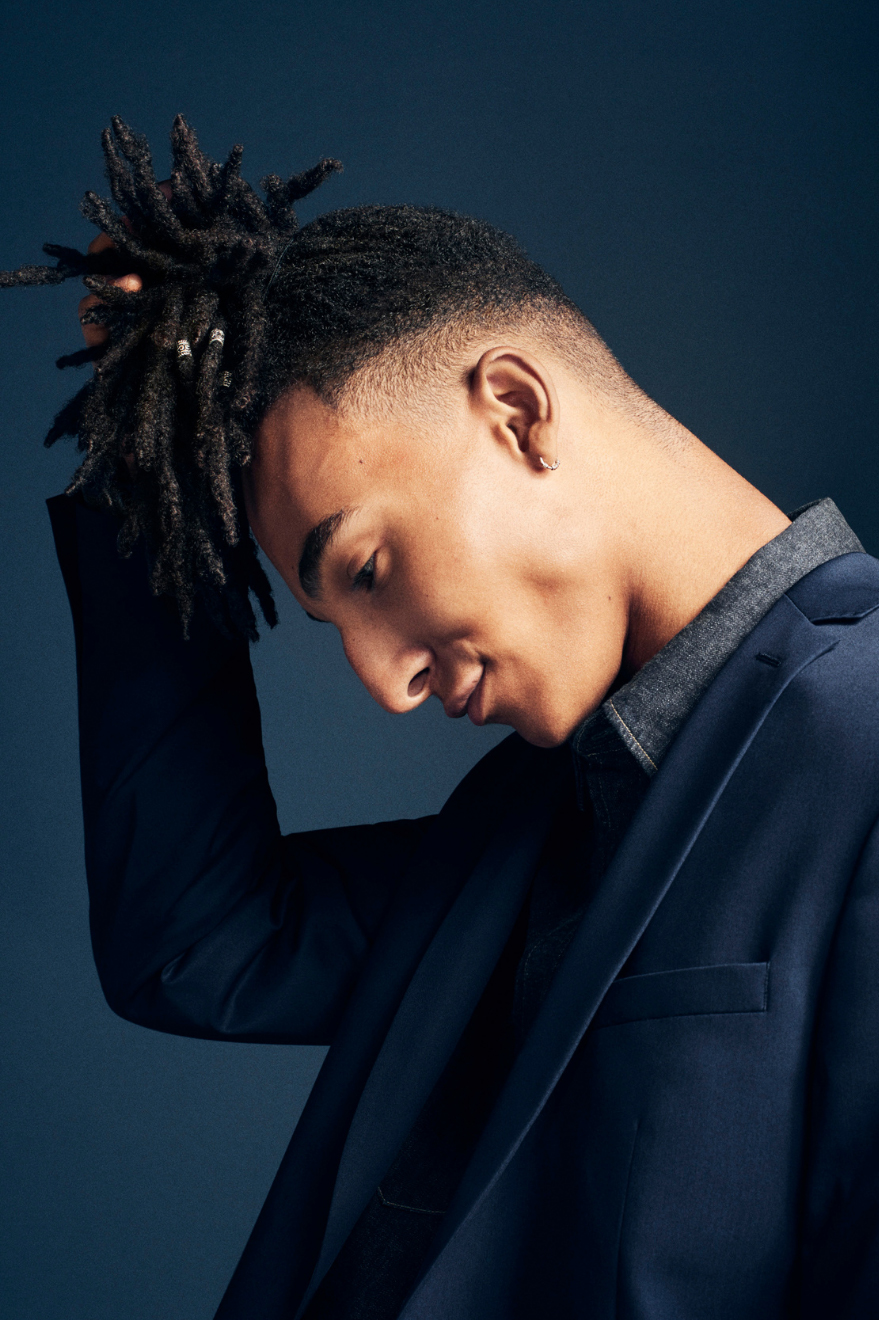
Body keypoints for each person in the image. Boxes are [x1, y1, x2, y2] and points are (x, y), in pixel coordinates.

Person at [4, 116, 878, 1319]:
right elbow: (198, 948)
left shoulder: (859, 736)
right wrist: (146, 476)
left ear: (518, 413)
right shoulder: (532, 819)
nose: (382, 683)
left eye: (365, 570)